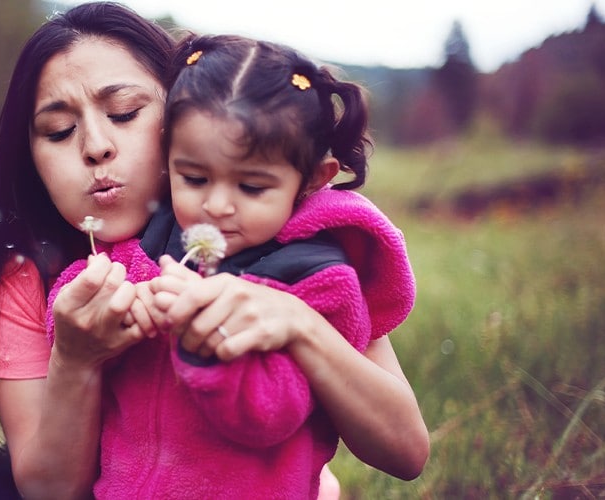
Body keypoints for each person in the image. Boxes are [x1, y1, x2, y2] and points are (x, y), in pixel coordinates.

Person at [0, 3, 428, 499]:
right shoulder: (32, 274)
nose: (94, 146)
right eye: (57, 131)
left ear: (189, 116)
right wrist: (77, 361)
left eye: (125, 112)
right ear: (29, 157)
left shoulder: (289, 242)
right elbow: (50, 490)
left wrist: (296, 325)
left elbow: (406, 450)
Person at [41, 33, 416, 498]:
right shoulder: (148, 243)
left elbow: (269, 415)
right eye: (195, 178)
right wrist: (97, 311)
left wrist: (207, 346)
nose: (217, 206)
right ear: (168, 154)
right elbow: (82, 297)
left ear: (311, 180)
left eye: (253, 187)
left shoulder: (320, 282)